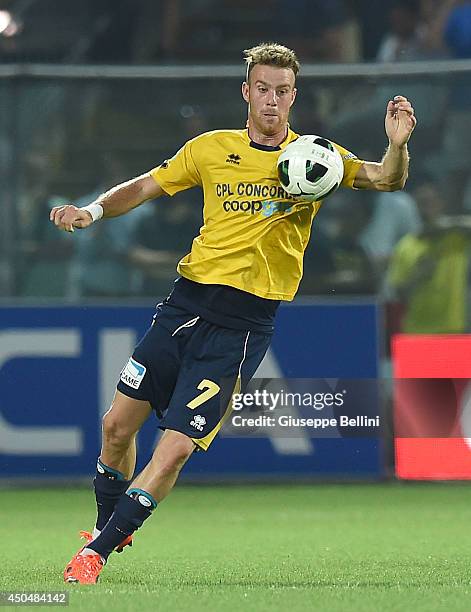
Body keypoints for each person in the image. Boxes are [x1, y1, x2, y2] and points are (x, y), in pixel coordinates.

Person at [50, 42, 416, 584]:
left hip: (242, 326)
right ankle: (110, 527)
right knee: (115, 428)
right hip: (184, 304)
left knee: (174, 448)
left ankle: (96, 553)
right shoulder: (211, 149)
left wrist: (397, 147)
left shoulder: (317, 157)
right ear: (246, 91)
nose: (273, 101)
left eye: (283, 92)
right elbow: (148, 186)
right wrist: (93, 210)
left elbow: (387, 179)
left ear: (295, 95)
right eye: (263, 89)